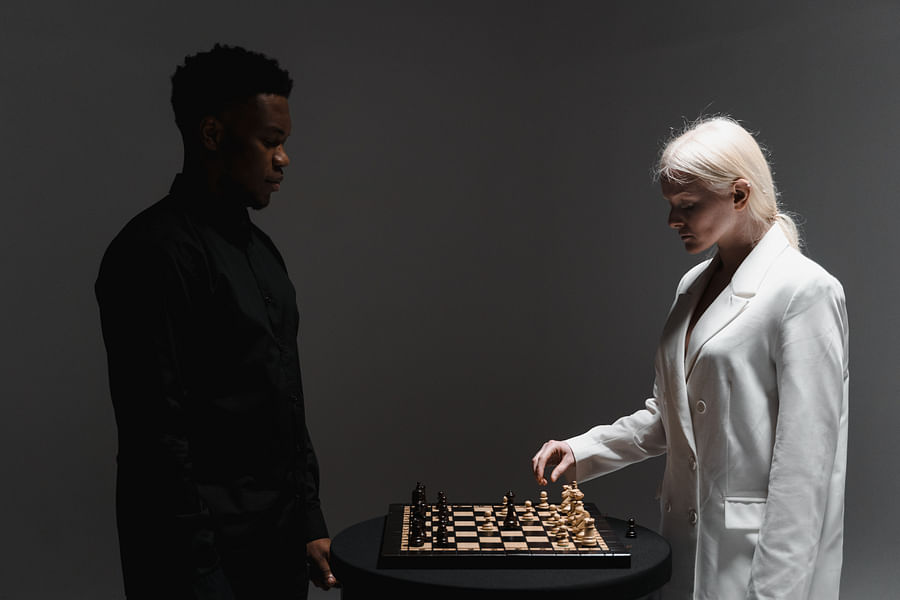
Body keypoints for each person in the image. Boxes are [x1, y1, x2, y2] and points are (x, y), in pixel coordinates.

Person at [531, 117, 848, 599]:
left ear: (739, 194)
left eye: (687, 205)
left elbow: (805, 469)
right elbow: (672, 417)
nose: (672, 220)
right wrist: (585, 450)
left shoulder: (805, 291)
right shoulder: (693, 285)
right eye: (670, 206)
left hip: (759, 558)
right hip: (683, 544)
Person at [96, 44, 337, 599]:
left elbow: (285, 401)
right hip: (195, 564)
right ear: (211, 135)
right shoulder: (151, 254)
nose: (283, 160)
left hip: (274, 549)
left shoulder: (264, 254)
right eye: (270, 142)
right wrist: (200, 573)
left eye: (285, 144)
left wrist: (308, 520)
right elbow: (155, 436)